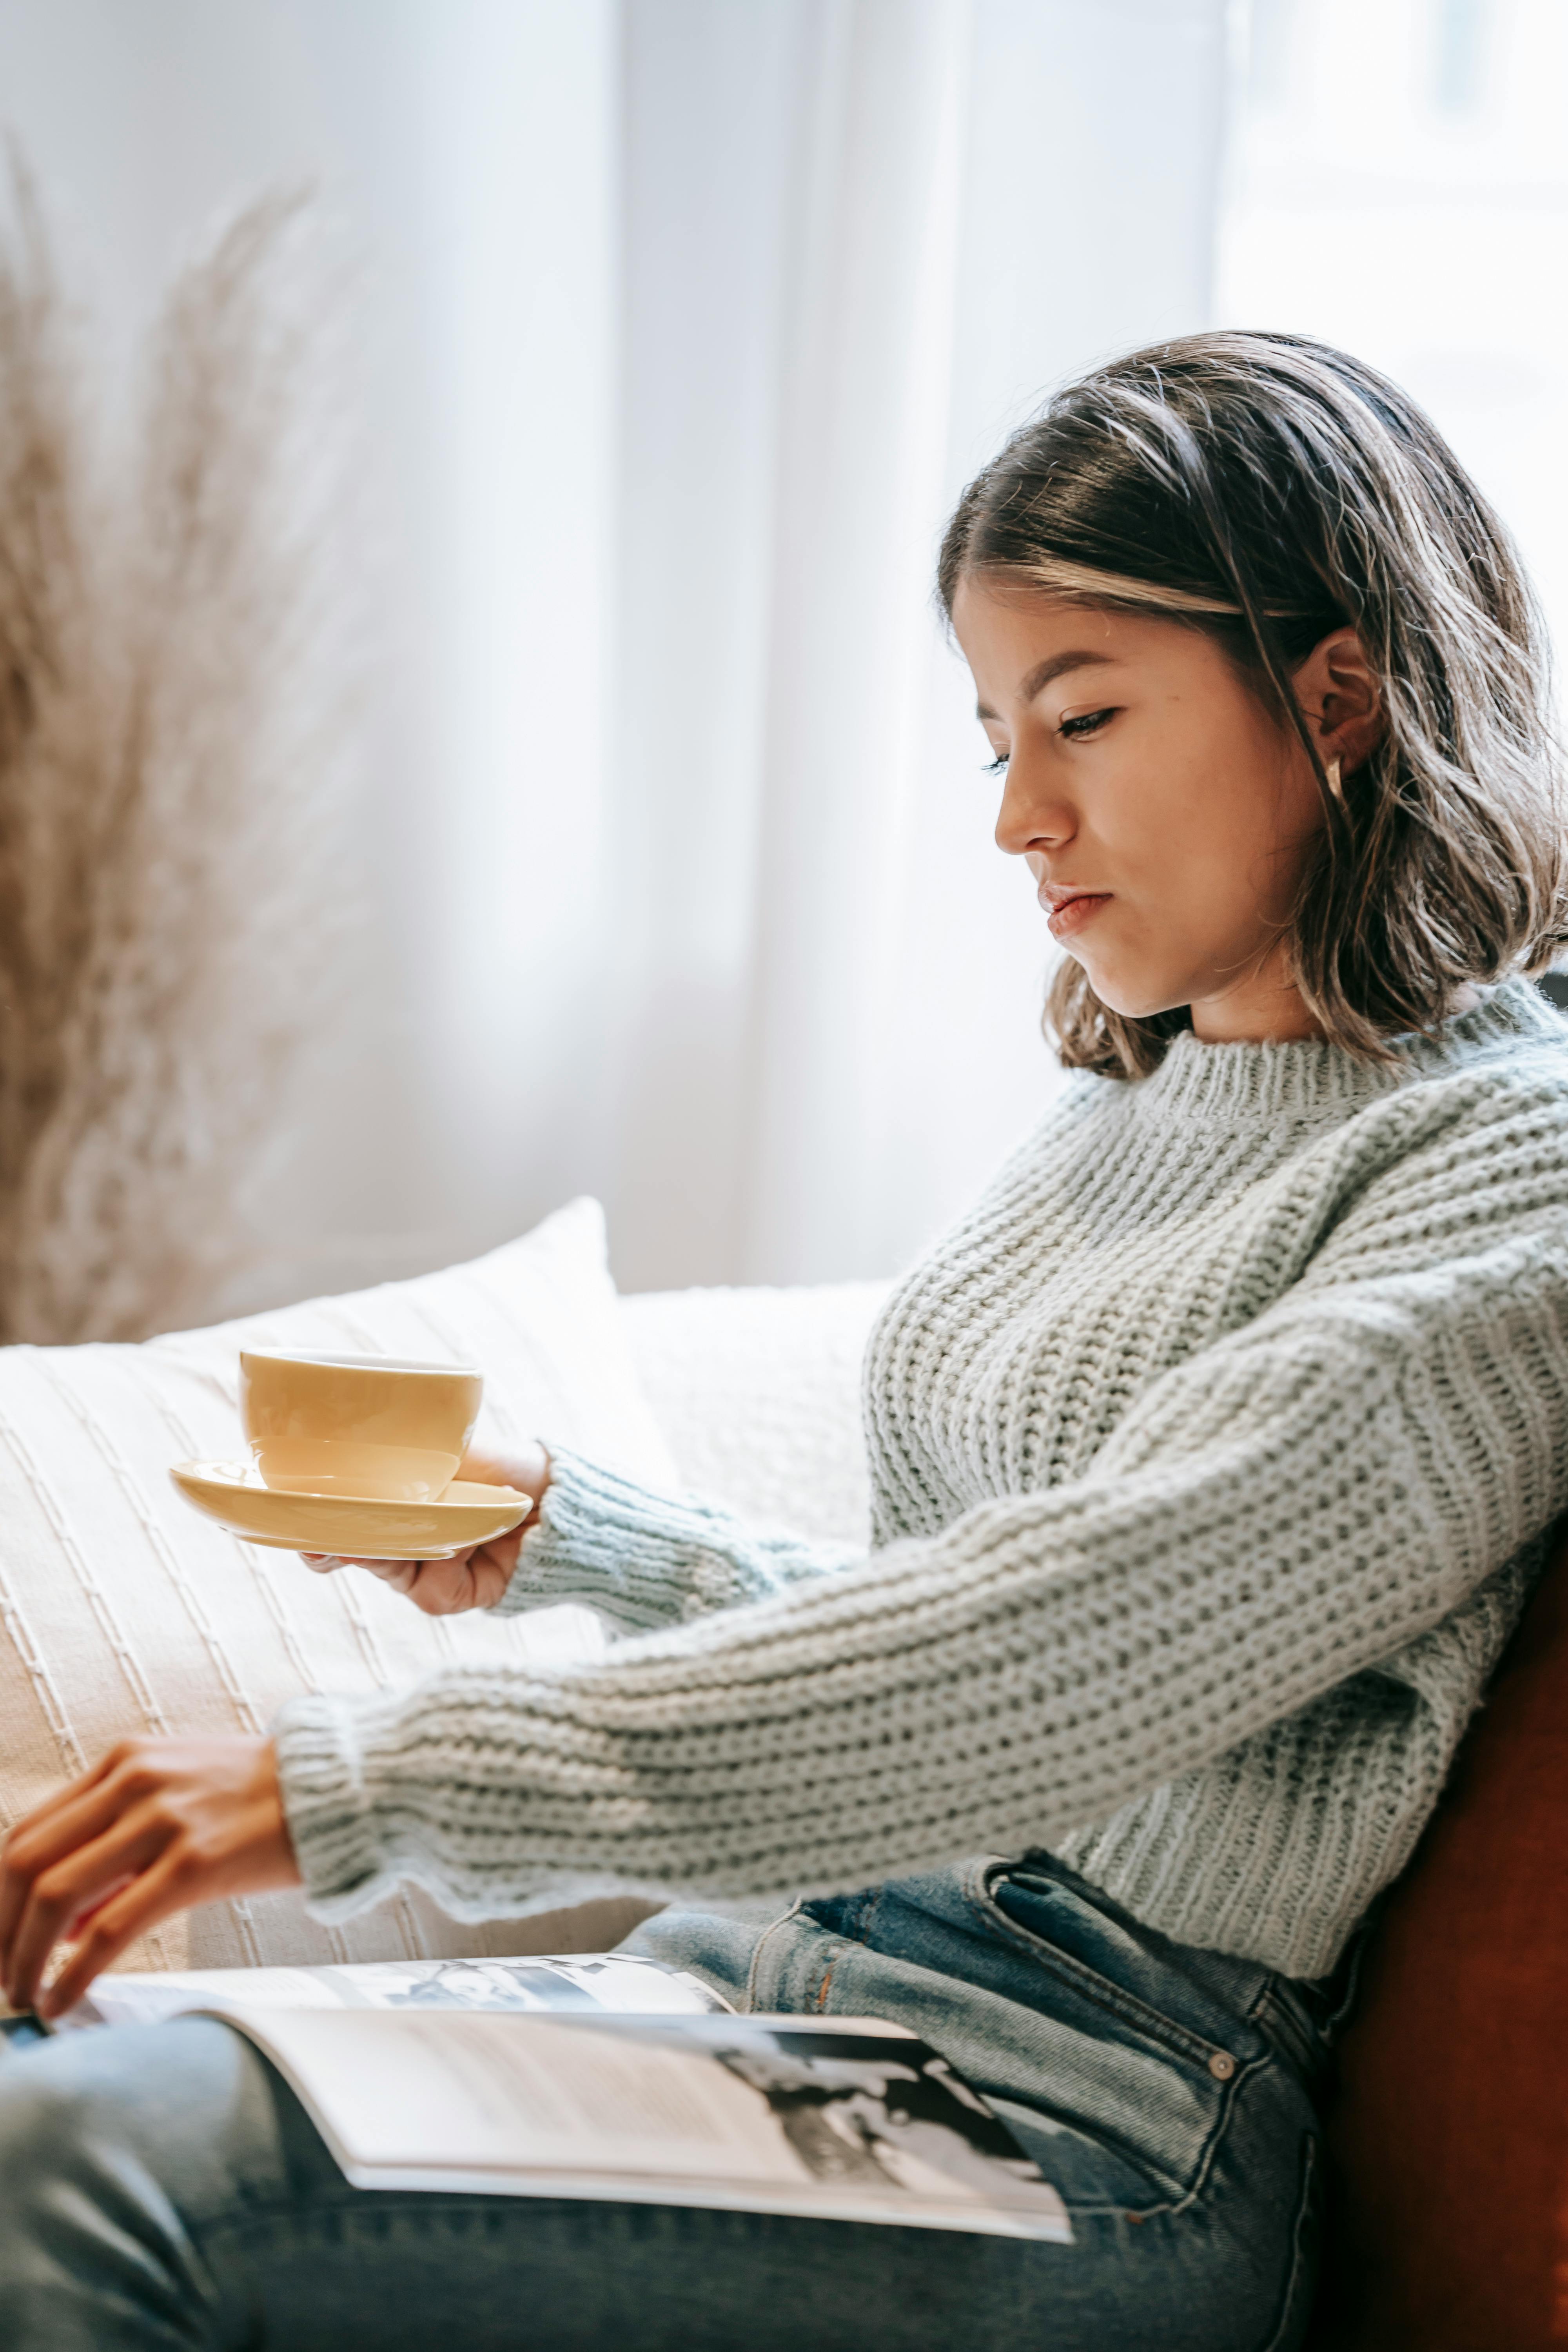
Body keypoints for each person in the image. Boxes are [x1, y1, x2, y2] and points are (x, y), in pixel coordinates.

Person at [3, 329, 1567, 2351]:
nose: (1020, 815)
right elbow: (951, 1632)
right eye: (996, 735)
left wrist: (360, 1781)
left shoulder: (1511, 1167)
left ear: (1336, 694)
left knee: (81, 2173)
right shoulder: (1122, 1117)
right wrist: (585, 1541)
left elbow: (1083, 1650)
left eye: (1082, 715)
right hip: (764, 1985)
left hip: (1068, 2115)